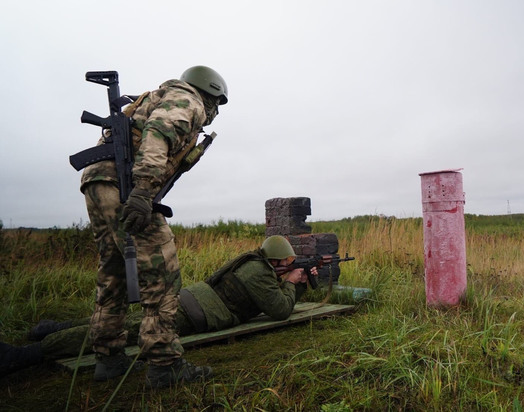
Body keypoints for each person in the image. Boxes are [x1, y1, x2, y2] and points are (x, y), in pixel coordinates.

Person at [0, 236, 317, 388]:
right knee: (123, 333)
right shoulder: (260, 274)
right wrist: (293, 283)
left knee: (119, 321)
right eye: (287, 265)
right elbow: (279, 310)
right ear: (277, 262)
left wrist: (295, 280)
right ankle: (26, 355)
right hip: (192, 315)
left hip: (189, 299)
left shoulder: (252, 261)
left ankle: (52, 327)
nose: (289, 269)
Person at [79, 66, 228, 388]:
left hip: (97, 183)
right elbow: (159, 131)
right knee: (160, 274)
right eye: (217, 103)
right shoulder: (187, 100)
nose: (214, 112)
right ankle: (165, 364)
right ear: (211, 92)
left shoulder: (158, 96)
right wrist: (143, 190)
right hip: (126, 187)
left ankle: (108, 357)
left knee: (114, 270)